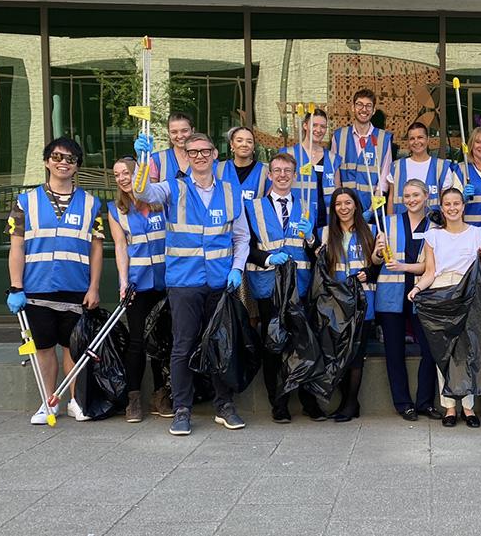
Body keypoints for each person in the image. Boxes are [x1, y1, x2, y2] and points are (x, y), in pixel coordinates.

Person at [133, 131, 250, 436]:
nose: (199, 156)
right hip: (184, 282)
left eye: (205, 151)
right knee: (182, 347)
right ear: (185, 156)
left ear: (214, 154)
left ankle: (224, 405)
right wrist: (141, 162)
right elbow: (142, 193)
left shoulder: (229, 190)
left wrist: (237, 268)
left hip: (220, 282)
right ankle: (182, 409)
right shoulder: (173, 188)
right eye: (193, 151)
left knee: (220, 346)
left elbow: (242, 237)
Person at [6, 137, 104, 425]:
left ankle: (75, 400)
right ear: (47, 161)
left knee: (73, 349)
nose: (63, 162)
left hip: (76, 288)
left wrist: (94, 286)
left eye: (70, 159)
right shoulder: (26, 201)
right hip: (36, 289)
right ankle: (48, 402)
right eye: (58, 157)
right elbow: (17, 246)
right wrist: (16, 287)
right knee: (44, 348)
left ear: (77, 167)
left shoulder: (91, 203)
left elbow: (97, 248)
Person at [244, 152, 325, 423]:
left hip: (300, 288)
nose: (281, 175)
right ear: (269, 175)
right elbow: (245, 247)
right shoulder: (253, 208)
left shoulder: (307, 207)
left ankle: (308, 401)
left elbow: (316, 252)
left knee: (303, 344)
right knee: (273, 347)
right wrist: (267, 258)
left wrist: (312, 236)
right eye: (276, 170)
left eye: (287, 171)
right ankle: (278, 403)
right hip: (267, 287)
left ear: (294, 174)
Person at [408, 187, 481, 428]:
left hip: (468, 294)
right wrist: (418, 288)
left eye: (457, 203)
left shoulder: (479, 234)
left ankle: (468, 407)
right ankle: (449, 408)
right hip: (442, 294)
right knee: (444, 353)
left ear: (463, 206)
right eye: (448, 204)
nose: (453, 208)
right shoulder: (433, 236)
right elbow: (431, 272)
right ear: (442, 208)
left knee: (468, 350)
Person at [311, 187, 385, 422]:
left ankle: (351, 403)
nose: (343, 208)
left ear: (356, 205)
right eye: (338, 204)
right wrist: (312, 245)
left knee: (355, 355)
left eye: (348, 203)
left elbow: (376, 265)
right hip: (334, 304)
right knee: (339, 354)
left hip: (363, 302)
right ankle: (346, 402)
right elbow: (320, 266)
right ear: (333, 208)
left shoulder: (372, 230)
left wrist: (374, 263)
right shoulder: (324, 233)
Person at [107, 157, 170, 422]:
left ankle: (161, 394)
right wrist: (123, 282)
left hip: (166, 281)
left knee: (163, 340)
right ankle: (134, 398)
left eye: (127, 172)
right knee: (137, 342)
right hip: (138, 283)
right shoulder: (115, 210)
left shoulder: (160, 203)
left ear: (139, 174)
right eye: (117, 174)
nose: (122, 178)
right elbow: (121, 247)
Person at [375, 179, 440, 422]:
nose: (411, 200)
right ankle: (403, 403)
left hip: (423, 294)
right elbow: (374, 259)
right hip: (391, 295)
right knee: (394, 351)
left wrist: (403, 266)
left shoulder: (435, 227)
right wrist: (378, 249)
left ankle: (425, 402)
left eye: (415, 195)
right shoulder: (387, 222)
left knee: (430, 350)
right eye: (407, 196)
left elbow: (430, 265)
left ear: (426, 196)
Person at [330, 89, 393, 213]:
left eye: (368, 106)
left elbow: (384, 179)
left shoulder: (383, 139)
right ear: (353, 107)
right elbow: (334, 173)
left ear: (374, 110)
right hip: (344, 210)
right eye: (359, 104)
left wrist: (372, 210)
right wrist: (340, 203)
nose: (364, 109)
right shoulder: (339, 136)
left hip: (372, 210)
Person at [280, 108, 341, 231]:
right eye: (315, 125)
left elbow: (338, 195)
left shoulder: (333, 158)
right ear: (305, 125)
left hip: (326, 224)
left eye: (323, 126)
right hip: (296, 222)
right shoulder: (288, 154)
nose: (319, 130)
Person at [386, 122, 457, 215]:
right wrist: (389, 224)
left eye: (420, 137)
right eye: (412, 138)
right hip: (401, 226)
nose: (416, 142)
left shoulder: (441, 167)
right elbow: (391, 198)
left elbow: (446, 201)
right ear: (408, 142)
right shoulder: (397, 166)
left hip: (432, 226)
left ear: (427, 140)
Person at [216, 126, 269, 200]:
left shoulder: (264, 171)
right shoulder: (219, 169)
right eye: (239, 140)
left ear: (253, 146)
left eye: (249, 141)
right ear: (232, 144)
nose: (244, 144)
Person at [148, 111, 194, 182]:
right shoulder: (156, 160)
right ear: (168, 133)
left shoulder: (204, 158)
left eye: (184, 131)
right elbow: (148, 191)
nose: (179, 136)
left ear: (192, 131)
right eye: (174, 132)